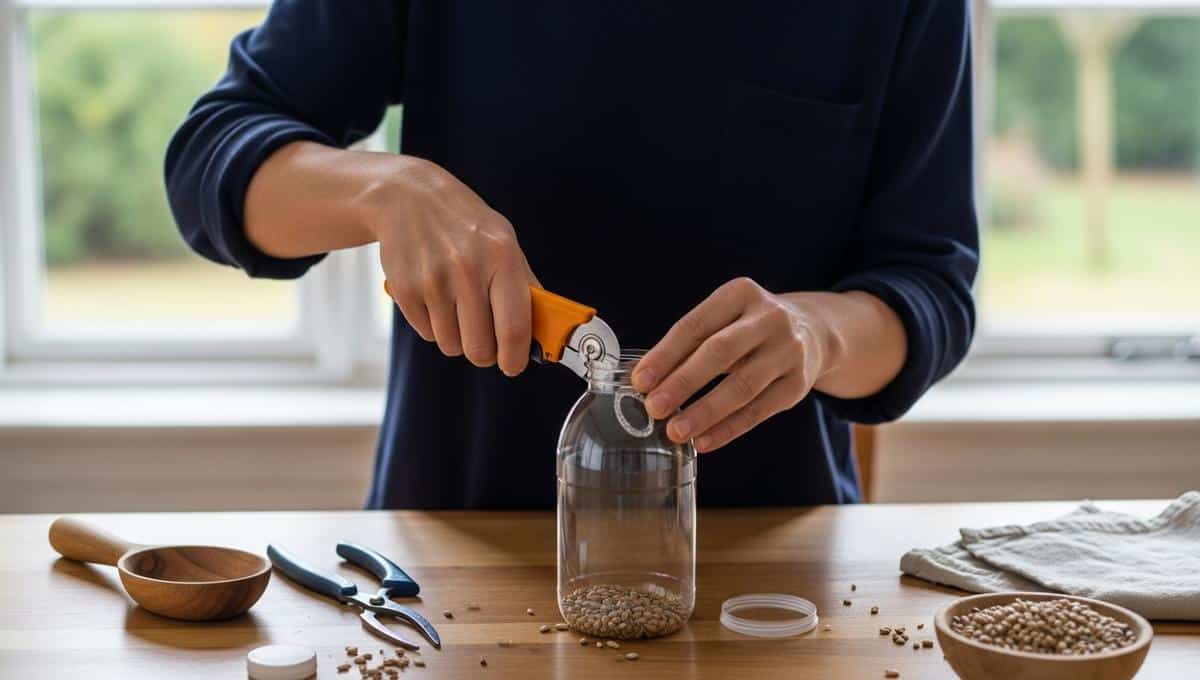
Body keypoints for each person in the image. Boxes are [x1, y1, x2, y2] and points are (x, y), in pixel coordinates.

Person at [166, 1, 978, 509]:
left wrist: (816, 335)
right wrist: (384, 192)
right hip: (450, 556)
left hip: (771, 578)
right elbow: (212, 159)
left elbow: (931, 287)